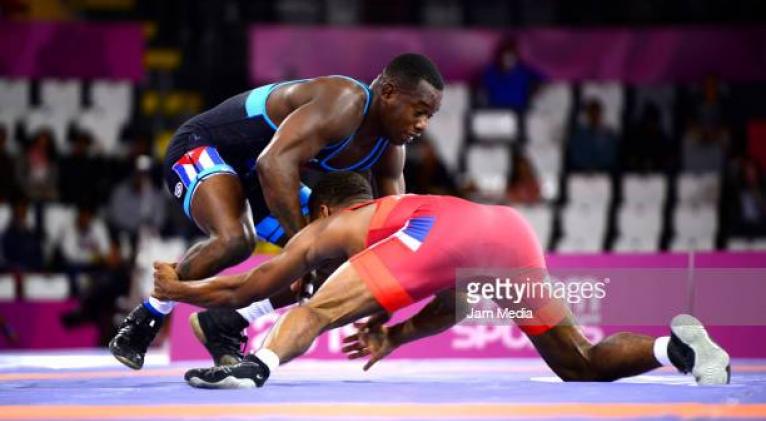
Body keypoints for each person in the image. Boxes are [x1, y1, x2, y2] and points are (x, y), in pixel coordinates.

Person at [151, 172, 730, 388]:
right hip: (508, 230)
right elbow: (460, 299)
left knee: (318, 309)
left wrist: (180, 290)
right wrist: (397, 336)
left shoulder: (340, 225)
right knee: (578, 361)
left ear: (326, 211)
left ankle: (256, 369)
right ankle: (672, 347)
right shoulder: (407, 208)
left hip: (440, 236)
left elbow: (254, 285)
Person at [109, 53, 444, 370]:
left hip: (263, 174)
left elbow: (387, 236)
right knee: (235, 240)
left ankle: (225, 322)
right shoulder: (344, 101)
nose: (423, 124)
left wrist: (382, 302)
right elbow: (273, 163)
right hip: (205, 146)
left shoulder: (390, 151)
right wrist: (304, 251)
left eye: (429, 116)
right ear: (388, 92)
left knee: (336, 258)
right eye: (419, 111)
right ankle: (145, 317)